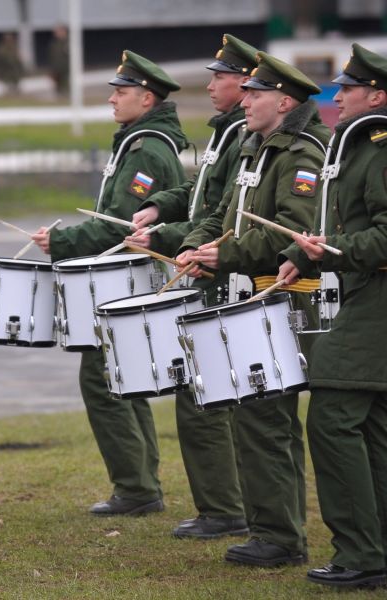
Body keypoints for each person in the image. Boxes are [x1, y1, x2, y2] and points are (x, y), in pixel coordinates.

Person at [176, 51, 330, 567]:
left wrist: (226, 255)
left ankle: (281, 539)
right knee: (259, 417)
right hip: (258, 293)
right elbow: (222, 215)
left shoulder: (301, 154)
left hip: (293, 296)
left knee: (267, 417)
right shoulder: (254, 150)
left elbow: (293, 231)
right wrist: (195, 246)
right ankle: (274, 530)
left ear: (284, 102)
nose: (244, 98)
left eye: (255, 93)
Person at [32, 50, 188, 516]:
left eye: (120, 92)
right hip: (123, 276)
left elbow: (119, 223)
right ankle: (141, 484)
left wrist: (61, 240)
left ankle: (137, 488)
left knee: (104, 376)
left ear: (147, 97)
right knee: (124, 375)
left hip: (125, 277)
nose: (111, 99)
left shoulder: (147, 148)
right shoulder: (139, 142)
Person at [126, 34, 259, 540]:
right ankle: (223, 505)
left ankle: (225, 508)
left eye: (220, 76)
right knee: (202, 394)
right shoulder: (228, 132)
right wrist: (161, 207)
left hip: (225, 277)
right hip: (209, 268)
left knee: (205, 395)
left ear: (246, 81)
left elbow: (225, 215)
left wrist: (166, 234)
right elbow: (203, 196)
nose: (210, 84)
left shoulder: (241, 133)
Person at [278, 43, 387, 589]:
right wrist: (300, 254)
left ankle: (362, 556)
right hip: (364, 296)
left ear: (378, 95)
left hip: (375, 301)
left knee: (333, 418)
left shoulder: (382, 146)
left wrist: (333, 252)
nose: (336, 95)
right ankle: (374, 550)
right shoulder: (360, 145)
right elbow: (341, 224)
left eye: (348, 88)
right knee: (370, 429)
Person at [48, 25, 70, 99]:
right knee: (58, 86)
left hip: (66, 69)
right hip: (57, 69)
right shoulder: (54, 44)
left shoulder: (68, 43)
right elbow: (52, 57)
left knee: (66, 85)